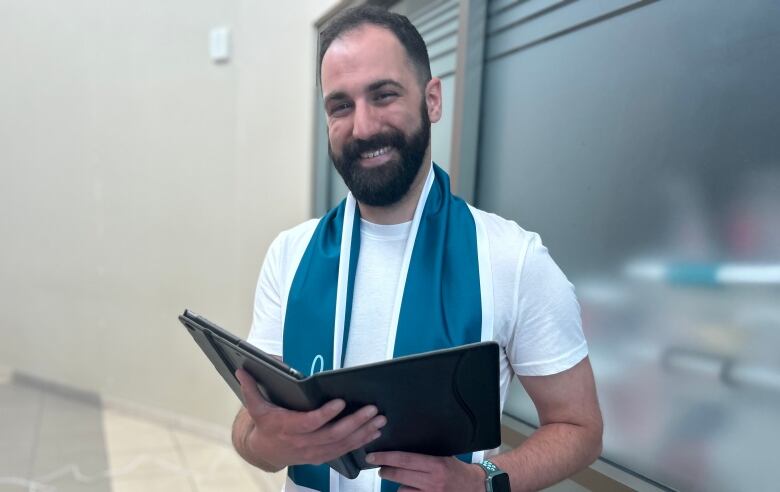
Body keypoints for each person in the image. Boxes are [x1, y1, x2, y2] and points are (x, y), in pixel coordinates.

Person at [231, 6, 602, 492]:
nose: (362, 127)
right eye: (340, 106)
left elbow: (580, 428)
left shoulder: (513, 259)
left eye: (383, 95)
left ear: (432, 100)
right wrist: (269, 444)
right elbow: (246, 430)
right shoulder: (290, 254)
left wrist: (480, 480)